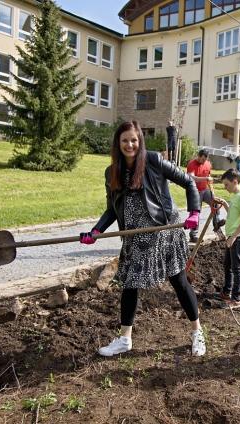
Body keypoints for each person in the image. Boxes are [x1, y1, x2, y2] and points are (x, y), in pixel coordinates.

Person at [82, 121, 206, 357]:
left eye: (134, 140)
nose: (130, 145)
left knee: (179, 281)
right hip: (135, 237)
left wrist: (194, 213)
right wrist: (96, 231)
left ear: (140, 141)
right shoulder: (112, 173)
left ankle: (196, 332)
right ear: (118, 144)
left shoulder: (153, 161)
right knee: (130, 285)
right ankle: (125, 339)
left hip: (163, 232)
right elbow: (112, 209)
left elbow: (189, 182)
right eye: (125, 140)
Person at [214, 169, 240, 309]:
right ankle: (226, 292)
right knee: (227, 265)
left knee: (236, 268)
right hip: (231, 237)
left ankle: (236, 299)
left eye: (227, 185)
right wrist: (225, 204)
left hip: (238, 238)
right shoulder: (235, 196)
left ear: (235, 182)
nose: (225, 187)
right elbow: (234, 214)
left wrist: (234, 237)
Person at [187, 149, 226, 242]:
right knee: (195, 212)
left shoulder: (208, 164)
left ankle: (217, 224)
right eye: (202, 159)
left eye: (205, 160)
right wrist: (205, 178)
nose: (203, 162)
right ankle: (193, 235)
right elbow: (191, 177)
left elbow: (209, 179)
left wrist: (212, 190)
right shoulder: (191, 164)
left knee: (215, 203)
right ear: (198, 156)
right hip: (194, 191)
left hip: (205, 190)